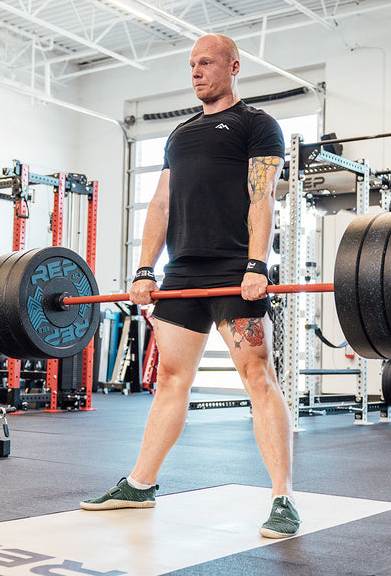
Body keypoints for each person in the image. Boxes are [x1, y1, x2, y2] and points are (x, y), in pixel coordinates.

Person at [80, 33, 299, 538]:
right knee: (171, 380)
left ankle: (283, 496)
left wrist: (256, 265)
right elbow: (159, 204)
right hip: (182, 272)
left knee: (257, 377)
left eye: (206, 63)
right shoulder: (178, 135)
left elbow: (261, 196)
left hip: (232, 270)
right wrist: (143, 269)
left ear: (233, 66)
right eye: (191, 65)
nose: (196, 72)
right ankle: (140, 485)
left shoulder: (257, 125)